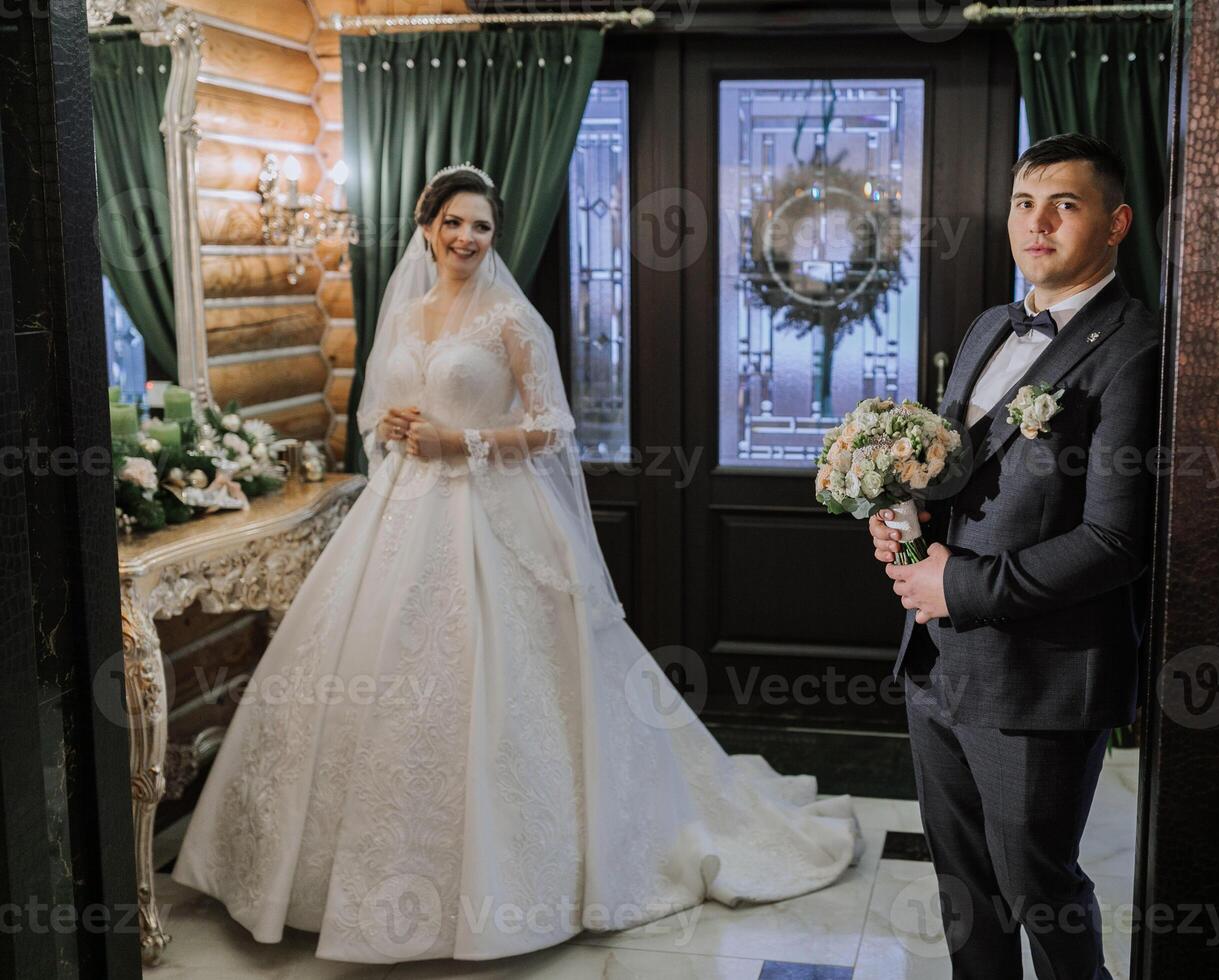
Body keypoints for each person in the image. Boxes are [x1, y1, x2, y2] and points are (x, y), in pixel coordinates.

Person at [173, 164, 861, 964]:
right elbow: (372, 410)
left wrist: (457, 440)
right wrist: (394, 425)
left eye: (482, 227)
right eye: (455, 223)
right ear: (427, 225)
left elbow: (553, 424)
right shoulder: (404, 312)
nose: (467, 238)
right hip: (397, 515)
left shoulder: (508, 316)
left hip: (488, 515)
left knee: (507, 685)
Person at [870, 133, 1160, 979]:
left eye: (1064, 205)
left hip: (1039, 675)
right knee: (963, 886)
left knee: (1039, 886)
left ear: (1114, 223)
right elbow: (956, 468)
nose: (1037, 224)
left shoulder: (1136, 349)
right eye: (1023, 204)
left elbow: (1118, 541)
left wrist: (958, 584)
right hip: (936, 659)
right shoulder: (990, 326)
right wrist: (903, 512)